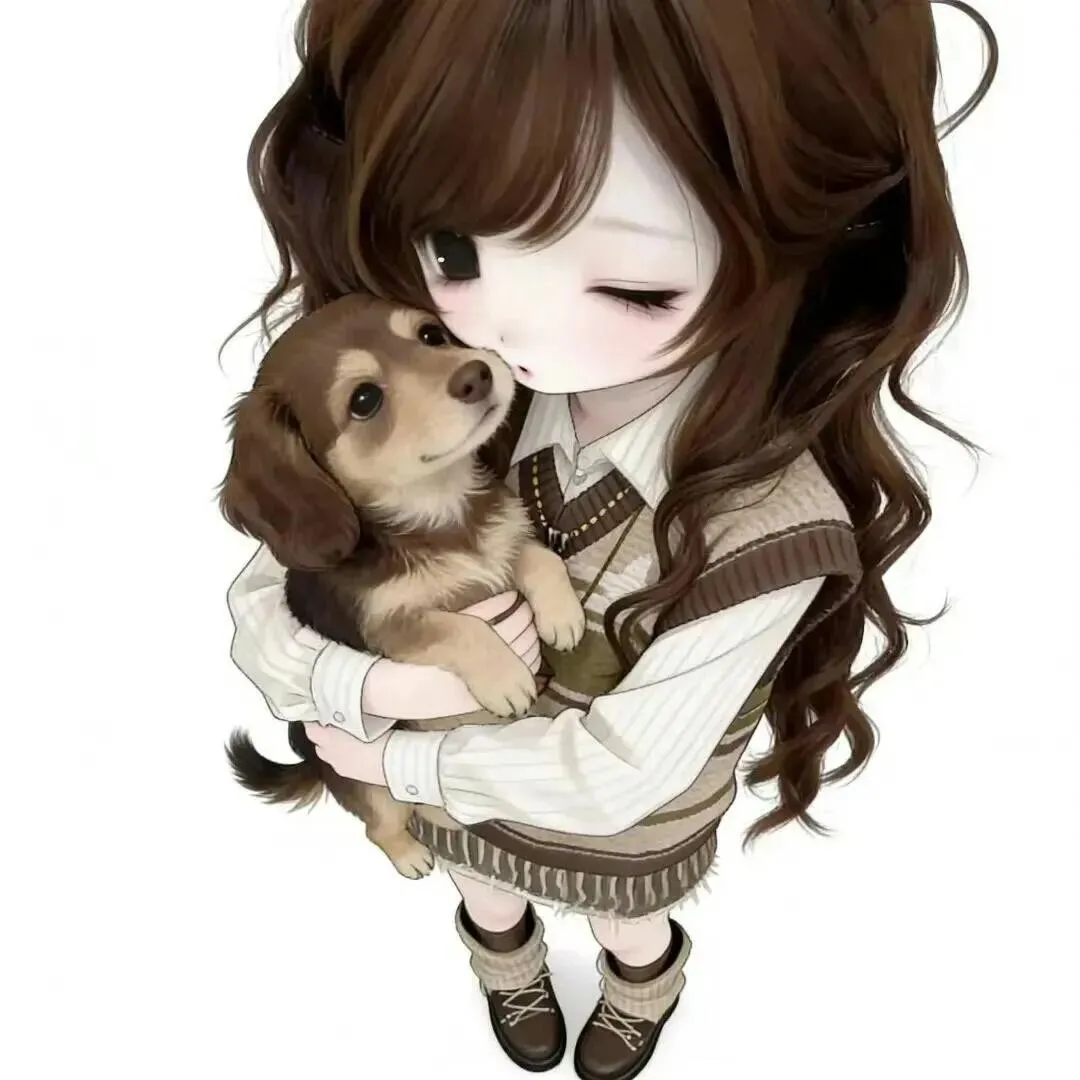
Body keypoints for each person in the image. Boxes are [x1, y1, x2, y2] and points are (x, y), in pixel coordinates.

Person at [224, 3, 996, 1077]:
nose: (507, 335)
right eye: (456, 251)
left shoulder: (770, 526)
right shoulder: (470, 409)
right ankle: (506, 964)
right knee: (484, 892)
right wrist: (375, 688)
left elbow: (619, 776)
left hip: (620, 833)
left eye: (635, 285)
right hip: (458, 808)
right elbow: (264, 608)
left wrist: (388, 755)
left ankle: (642, 987)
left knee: (629, 922)